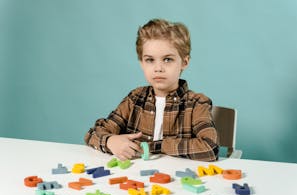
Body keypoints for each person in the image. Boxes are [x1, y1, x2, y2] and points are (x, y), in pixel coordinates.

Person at [84, 19, 219, 161]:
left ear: (184, 62)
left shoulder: (197, 103)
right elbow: (93, 133)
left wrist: (151, 146)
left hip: (174, 179)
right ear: (142, 63)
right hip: (135, 177)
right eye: (150, 60)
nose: (158, 68)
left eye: (167, 59)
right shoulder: (135, 99)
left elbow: (210, 147)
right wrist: (110, 141)